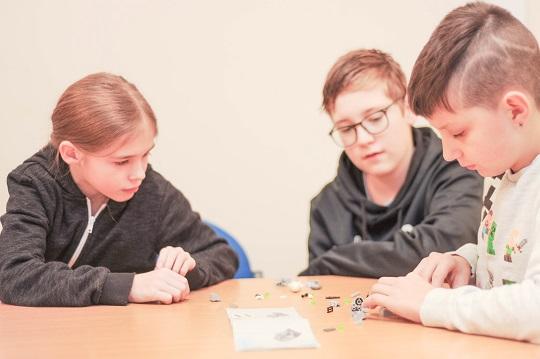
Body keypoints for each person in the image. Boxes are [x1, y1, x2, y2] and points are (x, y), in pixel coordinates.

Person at [363, 2, 540, 343]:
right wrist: (469, 261)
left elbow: (534, 307)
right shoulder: (502, 164)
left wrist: (432, 304)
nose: (448, 152)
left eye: (458, 133)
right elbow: (515, 256)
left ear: (515, 110)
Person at [0, 73, 238, 306]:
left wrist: (186, 269)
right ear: (72, 153)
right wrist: (128, 286)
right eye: (121, 161)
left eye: (146, 154)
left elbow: (221, 254)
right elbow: (14, 275)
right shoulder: (35, 184)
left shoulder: (152, 191)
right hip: (45, 337)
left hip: (120, 336)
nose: (139, 173)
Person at [299, 49, 483, 277]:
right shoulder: (326, 206)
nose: (364, 139)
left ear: (406, 108)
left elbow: (450, 242)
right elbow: (319, 290)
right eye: (347, 129)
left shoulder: (459, 168)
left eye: (376, 118)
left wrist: (334, 261)